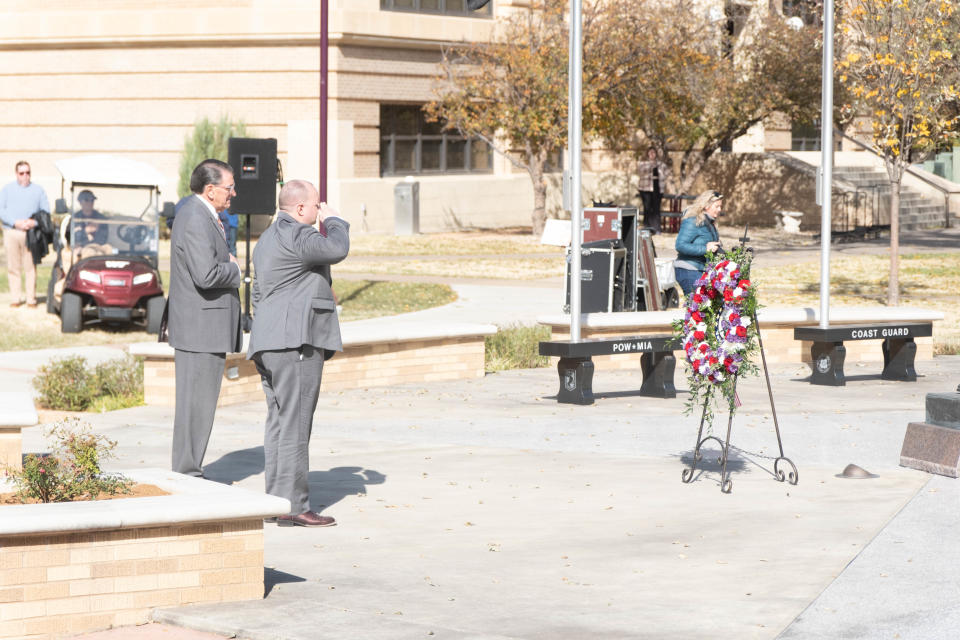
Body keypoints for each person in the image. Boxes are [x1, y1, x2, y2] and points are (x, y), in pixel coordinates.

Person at [247, 179, 350, 527]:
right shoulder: (300, 234)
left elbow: (258, 294)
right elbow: (336, 248)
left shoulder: (266, 239)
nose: (319, 210)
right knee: (296, 422)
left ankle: (277, 500)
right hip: (296, 343)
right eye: (317, 206)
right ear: (301, 208)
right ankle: (294, 505)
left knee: (278, 421)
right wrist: (335, 221)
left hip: (268, 341)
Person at [166, 159, 243, 478]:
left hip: (203, 328)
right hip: (199, 330)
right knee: (194, 407)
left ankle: (189, 469)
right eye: (229, 187)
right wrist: (236, 268)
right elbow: (206, 274)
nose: (234, 193)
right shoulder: (195, 217)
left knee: (199, 407)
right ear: (210, 190)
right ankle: (187, 473)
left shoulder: (202, 214)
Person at [0, 161, 49, 308]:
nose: (25, 176)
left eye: (28, 173)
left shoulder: (38, 190)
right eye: (22, 173)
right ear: (17, 174)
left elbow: (45, 212)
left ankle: (31, 300)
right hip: (12, 232)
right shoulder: (7, 190)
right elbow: (1, 210)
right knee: (13, 267)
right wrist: (15, 222)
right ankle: (15, 298)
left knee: (30, 267)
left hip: (31, 234)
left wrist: (33, 223)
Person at [674, 190, 724, 296]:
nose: (720, 210)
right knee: (697, 308)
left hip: (701, 270)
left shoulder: (710, 223)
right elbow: (680, 245)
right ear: (706, 205)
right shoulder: (692, 221)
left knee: (704, 308)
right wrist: (705, 249)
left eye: (720, 206)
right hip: (688, 269)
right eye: (717, 206)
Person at [637, 147, 672, 234]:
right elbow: (641, 171)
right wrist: (652, 165)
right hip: (645, 189)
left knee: (656, 209)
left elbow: (668, 174)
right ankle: (647, 227)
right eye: (650, 153)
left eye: (654, 153)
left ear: (656, 154)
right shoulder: (643, 163)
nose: (652, 154)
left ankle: (656, 228)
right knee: (647, 208)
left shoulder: (661, 164)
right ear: (647, 154)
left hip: (657, 189)